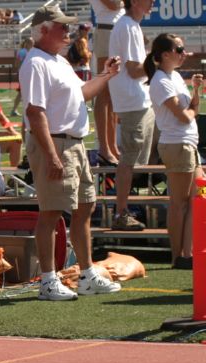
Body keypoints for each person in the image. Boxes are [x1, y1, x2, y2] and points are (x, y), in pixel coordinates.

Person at [19, 5, 122, 301]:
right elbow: (35, 112)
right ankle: (48, 280)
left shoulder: (58, 61)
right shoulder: (36, 62)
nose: (68, 31)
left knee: (85, 207)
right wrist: (51, 155)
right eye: (62, 26)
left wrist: (106, 75)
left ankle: (87, 274)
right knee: (50, 213)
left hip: (73, 142)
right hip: (55, 142)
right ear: (44, 30)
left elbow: (83, 93)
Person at [145, 34, 202, 269]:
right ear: (165, 54)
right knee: (179, 203)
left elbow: (192, 108)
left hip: (187, 144)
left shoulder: (176, 77)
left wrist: (196, 90)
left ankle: (187, 254)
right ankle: (177, 256)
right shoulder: (160, 81)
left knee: (197, 197)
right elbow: (183, 115)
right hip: (177, 145)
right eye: (179, 49)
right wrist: (191, 112)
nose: (184, 53)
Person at [108, 0, 155, 231]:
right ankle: (121, 213)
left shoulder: (131, 25)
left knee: (141, 159)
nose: (153, 2)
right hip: (132, 102)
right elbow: (135, 69)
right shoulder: (126, 25)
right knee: (129, 160)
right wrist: (160, 60)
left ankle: (130, 209)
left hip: (138, 100)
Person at [90, 0, 124, 166]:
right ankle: (104, 148)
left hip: (116, 30)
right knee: (103, 92)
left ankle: (112, 146)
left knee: (113, 94)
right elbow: (114, 4)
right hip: (106, 31)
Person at [11, 37, 34, 116]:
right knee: (21, 93)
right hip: (25, 75)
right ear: (27, 43)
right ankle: (14, 110)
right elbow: (17, 63)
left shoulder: (32, 51)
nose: (33, 43)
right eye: (31, 42)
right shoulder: (22, 52)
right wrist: (21, 72)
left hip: (31, 74)